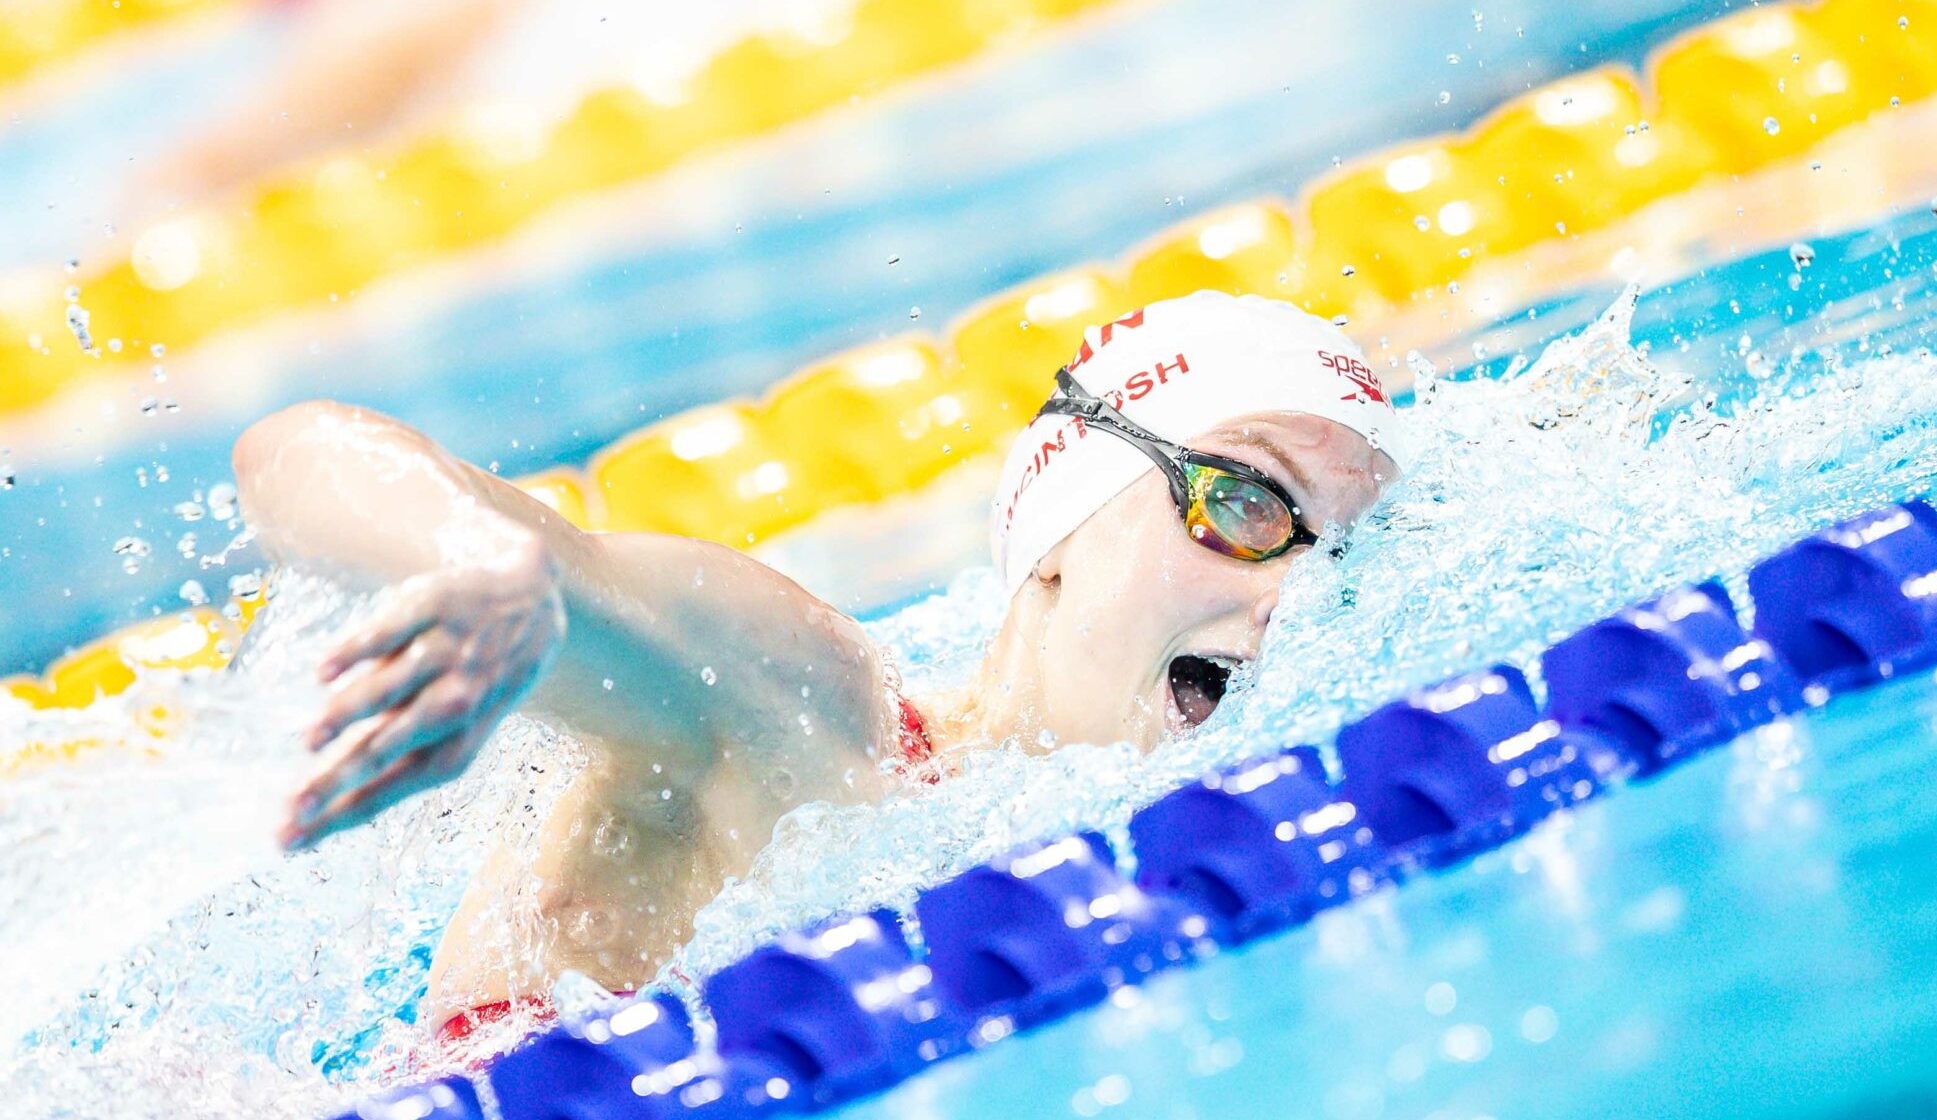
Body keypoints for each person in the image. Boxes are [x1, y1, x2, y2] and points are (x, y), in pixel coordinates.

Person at [231, 290, 1407, 1036]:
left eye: (1342, 558)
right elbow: (297, 453)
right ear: (1055, 539)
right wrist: (477, 560)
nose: (1290, 592)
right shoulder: (806, 721)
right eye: (1246, 504)